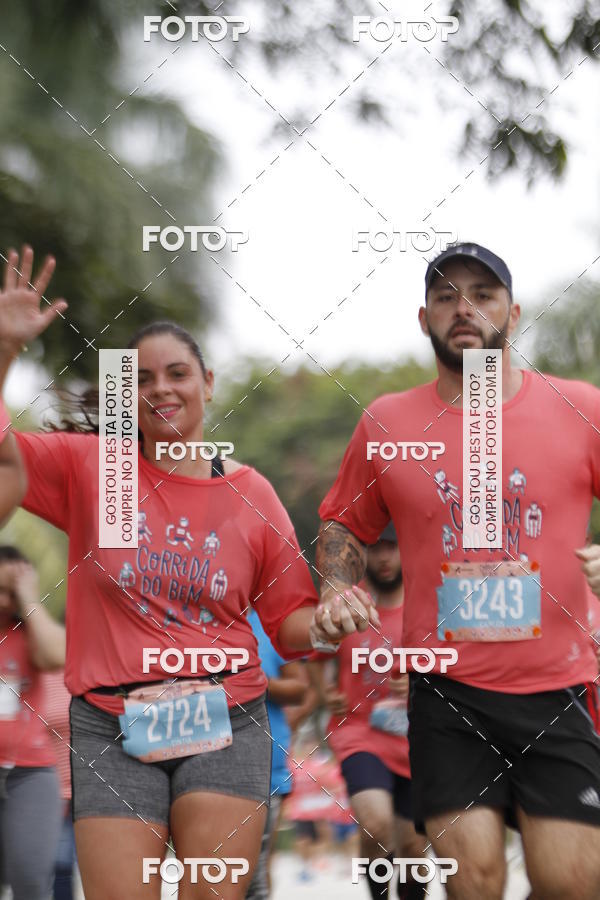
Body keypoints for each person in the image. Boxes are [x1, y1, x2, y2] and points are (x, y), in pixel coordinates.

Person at [0, 245, 369, 900]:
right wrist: (4, 350)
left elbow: (289, 625)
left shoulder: (251, 493)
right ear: (125, 393)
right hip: (108, 723)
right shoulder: (98, 472)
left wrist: (333, 619)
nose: (160, 389)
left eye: (177, 373)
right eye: (140, 379)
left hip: (226, 713)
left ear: (209, 382)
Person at [315, 242, 600, 899]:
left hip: (557, 692)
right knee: (473, 880)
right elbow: (341, 524)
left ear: (514, 312)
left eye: (482, 294)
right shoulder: (387, 421)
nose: (463, 308)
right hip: (448, 695)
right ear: (424, 318)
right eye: (446, 296)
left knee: (572, 882)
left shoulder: (579, 408)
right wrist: (335, 585)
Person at [310, 524, 424, 900]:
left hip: (419, 741)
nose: (385, 558)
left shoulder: (430, 607)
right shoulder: (348, 602)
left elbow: (460, 664)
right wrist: (326, 690)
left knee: (412, 850)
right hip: (360, 733)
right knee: (375, 824)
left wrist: (424, 683)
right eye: (376, 548)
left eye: (393, 547)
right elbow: (315, 650)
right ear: (361, 555)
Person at [0, 546, 65, 900]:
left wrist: (29, 599)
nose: (6, 600)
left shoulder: (31, 636)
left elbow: (58, 656)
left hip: (30, 773)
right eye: (2, 589)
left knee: (30, 882)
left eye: (14, 591)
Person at [245, 607, 308, 898]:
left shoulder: (270, 623)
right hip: (202, 760)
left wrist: (255, 682)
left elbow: (300, 688)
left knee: (256, 870)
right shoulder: (193, 617)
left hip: (267, 764)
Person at [41, 664, 78, 899]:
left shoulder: (78, 674)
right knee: (60, 863)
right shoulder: (36, 678)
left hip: (91, 789)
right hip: (53, 792)